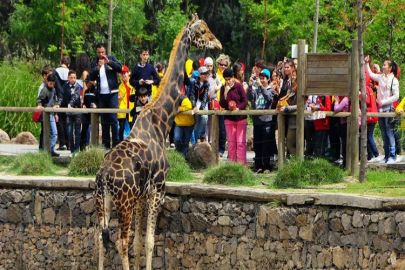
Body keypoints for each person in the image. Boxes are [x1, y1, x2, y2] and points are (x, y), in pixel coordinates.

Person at [365, 55, 399, 164]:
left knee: (389, 133)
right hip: (380, 110)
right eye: (383, 65)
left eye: (385, 65)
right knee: (384, 133)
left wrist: (383, 102)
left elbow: (396, 96)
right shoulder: (381, 77)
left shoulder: (394, 80)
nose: (383, 66)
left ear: (390, 68)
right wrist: (366, 63)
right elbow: (370, 74)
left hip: (388, 109)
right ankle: (387, 155)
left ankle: (392, 156)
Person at [90, 43, 122, 149]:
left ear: (105, 51)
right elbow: (91, 76)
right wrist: (98, 68)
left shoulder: (111, 58)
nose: (101, 54)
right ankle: (105, 143)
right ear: (96, 52)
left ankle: (116, 143)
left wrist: (110, 62)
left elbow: (120, 68)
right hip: (101, 95)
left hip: (112, 93)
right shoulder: (95, 63)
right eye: (99, 52)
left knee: (113, 119)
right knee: (104, 120)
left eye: (103, 52)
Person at [219, 68, 249, 165]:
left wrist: (238, 108)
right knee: (231, 144)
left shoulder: (238, 86)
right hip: (229, 119)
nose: (228, 81)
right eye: (226, 79)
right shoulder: (223, 88)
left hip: (240, 118)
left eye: (229, 79)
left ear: (233, 78)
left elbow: (245, 101)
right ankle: (232, 165)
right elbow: (222, 104)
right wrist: (225, 94)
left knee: (240, 143)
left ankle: (241, 165)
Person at [247, 69, 274, 173]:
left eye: (263, 78)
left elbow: (268, 98)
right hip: (257, 121)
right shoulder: (256, 89)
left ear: (268, 79)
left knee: (266, 145)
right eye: (260, 78)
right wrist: (250, 86)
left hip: (266, 121)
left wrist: (261, 86)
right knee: (257, 145)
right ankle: (258, 166)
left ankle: (267, 166)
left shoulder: (270, 89)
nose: (261, 80)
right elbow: (249, 97)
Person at [56, 70, 82, 156]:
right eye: (71, 77)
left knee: (77, 131)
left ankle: (77, 150)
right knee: (69, 131)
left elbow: (75, 96)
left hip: (77, 111)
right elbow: (61, 96)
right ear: (68, 78)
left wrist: (70, 104)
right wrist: (58, 105)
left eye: (74, 77)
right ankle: (72, 150)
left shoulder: (78, 86)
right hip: (69, 112)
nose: (73, 79)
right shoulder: (65, 86)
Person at [36, 74, 60, 157]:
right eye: (50, 83)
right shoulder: (44, 90)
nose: (52, 85)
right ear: (47, 82)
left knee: (51, 133)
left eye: (53, 84)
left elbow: (55, 100)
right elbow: (39, 99)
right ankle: (48, 150)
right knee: (52, 133)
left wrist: (56, 109)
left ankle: (49, 150)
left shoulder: (53, 90)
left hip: (52, 114)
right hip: (46, 114)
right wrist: (39, 105)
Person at [278, 70, 298, 157]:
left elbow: (300, 106)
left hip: (297, 122)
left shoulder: (300, 90)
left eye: (294, 75)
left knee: (289, 144)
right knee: (291, 144)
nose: (292, 77)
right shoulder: (291, 89)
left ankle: (300, 161)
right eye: (292, 75)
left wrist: (287, 108)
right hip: (291, 121)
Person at [53, 55, 70, 151]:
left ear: (60, 62)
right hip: (68, 101)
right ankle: (69, 144)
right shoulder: (70, 73)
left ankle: (62, 143)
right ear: (68, 64)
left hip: (58, 99)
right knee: (68, 122)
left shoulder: (55, 72)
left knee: (59, 122)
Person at [204, 57, 222, 144]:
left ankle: (211, 139)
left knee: (212, 120)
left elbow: (220, 84)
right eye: (208, 66)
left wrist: (217, 87)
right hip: (205, 100)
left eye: (211, 66)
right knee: (206, 119)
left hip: (213, 99)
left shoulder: (215, 75)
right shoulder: (203, 75)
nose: (209, 68)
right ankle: (206, 138)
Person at [190, 66, 210, 142]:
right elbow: (193, 95)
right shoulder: (194, 82)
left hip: (203, 102)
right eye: (204, 73)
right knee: (196, 123)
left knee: (205, 117)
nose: (206, 75)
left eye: (206, 73)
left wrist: (202, 107)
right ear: (200, 75)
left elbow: (205, 97)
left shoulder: (207, 84)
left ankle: (201, 135)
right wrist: (194, 106)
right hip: (196, 101)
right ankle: (195, 142)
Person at [118, 65, 135, 142]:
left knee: (132, 127)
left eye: (125, 73)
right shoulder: (119, 86)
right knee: (121, 128)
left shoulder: (132, 84)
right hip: (122, 109)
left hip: (131, 109)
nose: (124, 75)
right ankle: (120, 144)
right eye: (122, 73)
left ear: (128, 73)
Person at [80, 75, 97, 151]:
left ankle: (94, 147)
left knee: (94, 130)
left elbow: (98, 100)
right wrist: (83, 105)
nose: (87, 84)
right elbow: (84, 101)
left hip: (94, 114)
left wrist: (96, 105)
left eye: (89, 82)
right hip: (86, 113)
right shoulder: (86, 92)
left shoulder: (96, 91)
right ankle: (82, 147)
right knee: (84, 129)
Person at [37, 67, 53, 150]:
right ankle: (42, 148)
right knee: (44, 131)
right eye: (49, 75)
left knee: (48, 131)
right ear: (44, 76)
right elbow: (39, 99)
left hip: (50, 112)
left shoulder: (51, 86)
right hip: (44, 112)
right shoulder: (42, 87)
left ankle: (47, 148)